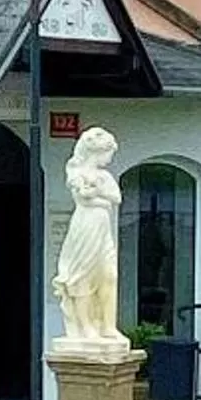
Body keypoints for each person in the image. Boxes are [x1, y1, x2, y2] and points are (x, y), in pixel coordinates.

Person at [54, 126, 122, 345]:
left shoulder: (104, 176)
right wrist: (97, 196)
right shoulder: (76, 173)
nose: (110, 159)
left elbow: (116, 197)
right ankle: (86, 327)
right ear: (97, 152)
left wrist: (97, 192)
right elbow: (83, 199)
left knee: (108, 274)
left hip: (103, 227)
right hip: (86, 226)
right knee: (82, 275)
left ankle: (108, 326)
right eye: (109, 153)